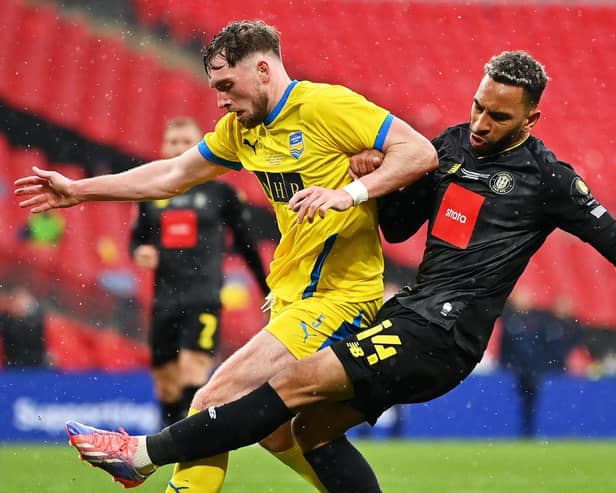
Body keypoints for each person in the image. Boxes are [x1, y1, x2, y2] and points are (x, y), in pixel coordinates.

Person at [60, 50, 615, 492]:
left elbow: (608, 236)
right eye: (477, 106)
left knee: (274, 387)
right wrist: (376, 175)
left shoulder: (549, 179)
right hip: (409, 314)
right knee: (302, 430)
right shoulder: (451, 145)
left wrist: (351, 191)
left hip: (444, 332)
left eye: (498, 116)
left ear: (531, 118)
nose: (479, 122)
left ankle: (142, 453)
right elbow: (397, 228)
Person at [15, 20, 437, 493]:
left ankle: (140, 460)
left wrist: (352, 193)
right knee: (285, 433)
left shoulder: (325, 106)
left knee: (215, 396)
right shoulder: (242, 131)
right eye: (215, 88)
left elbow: (419, 152)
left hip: (339, 298)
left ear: (262, 69)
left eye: (226, 86)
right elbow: (172, 174)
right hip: (293, 298)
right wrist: (79, 190)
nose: (219, 100)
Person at [130, 116, 270, 427]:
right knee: (166, 384)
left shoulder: (222, 195)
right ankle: (169, 440)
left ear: (200, 147)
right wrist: (138, 251)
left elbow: (248, 245)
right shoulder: (151, 195)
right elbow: (136, 240)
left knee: (193, 372)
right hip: (164, 299)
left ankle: (187, 444)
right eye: (174, 142)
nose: (180, 148)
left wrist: (266, 288)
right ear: (164, 147)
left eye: (186, 142)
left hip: (204, 296)